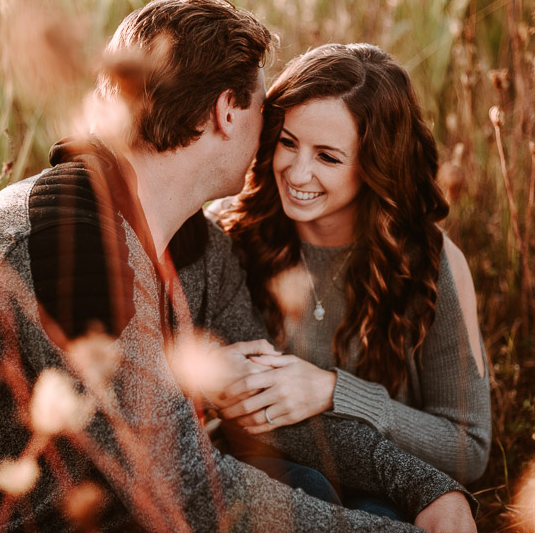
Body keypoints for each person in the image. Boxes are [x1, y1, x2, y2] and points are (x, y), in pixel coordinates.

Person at [0, 0, 478, 532]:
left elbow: (270, 405)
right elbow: (188, 488)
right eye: (266, 113)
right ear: (229, 111)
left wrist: (429, 491)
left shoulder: (198, 245)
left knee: (306, 481)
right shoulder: (65, 244)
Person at [182, 43, 489, 499]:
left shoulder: (430, 263)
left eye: (327, 156)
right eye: (288, 143)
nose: (297, 172)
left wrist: (334, 392)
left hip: (387, 494)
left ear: (375, 165)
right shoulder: (230, 232)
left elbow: (469, 449)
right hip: (263, 484)